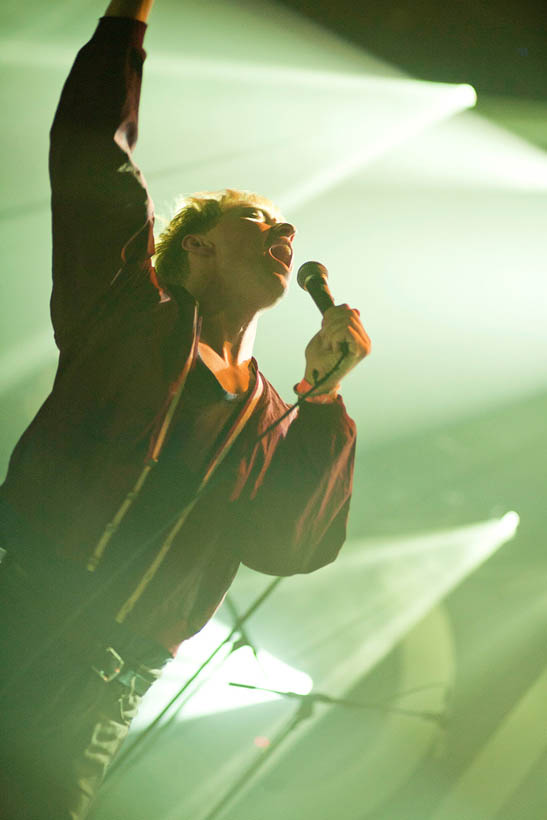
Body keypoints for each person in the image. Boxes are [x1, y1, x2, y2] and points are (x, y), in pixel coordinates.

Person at [0, 0, 371, 817]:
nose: (286, 228)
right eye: (259, 221)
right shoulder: (128, 310)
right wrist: (127, 17)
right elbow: (91, 153)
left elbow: (289, 544)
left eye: (284, 223)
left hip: (102, 686)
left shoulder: (274, 409)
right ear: (197, 247)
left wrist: (325, 400)